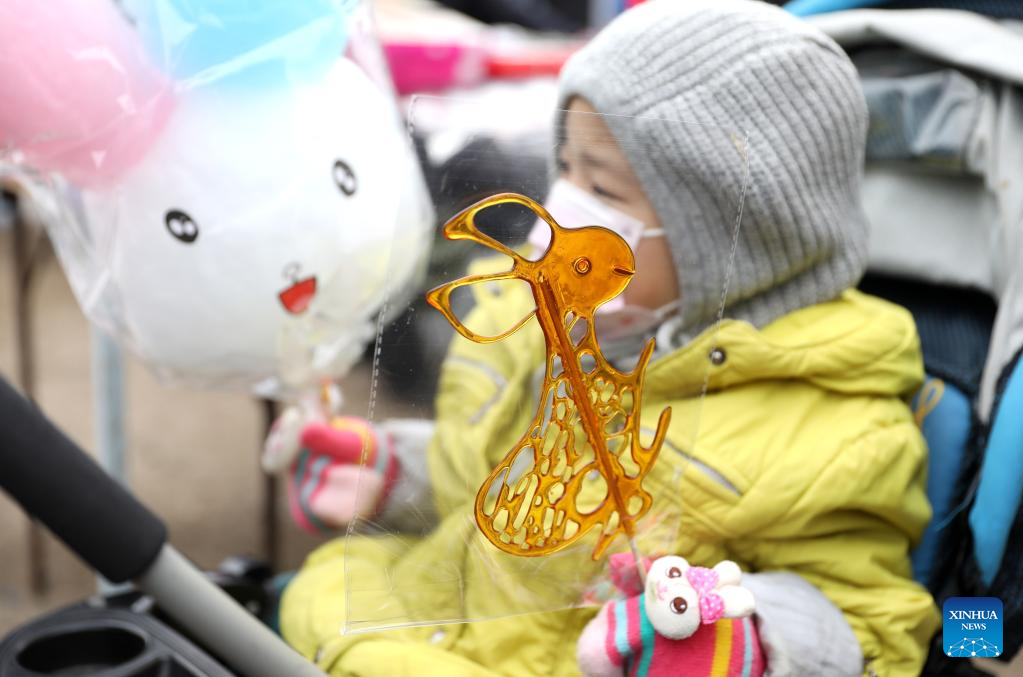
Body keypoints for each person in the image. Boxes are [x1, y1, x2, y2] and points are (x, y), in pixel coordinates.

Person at [278, 1, 940, 674]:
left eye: (600, 187)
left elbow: (871, 625)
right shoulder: (537, 322)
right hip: (435, 613)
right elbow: (492, 483)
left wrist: (744, 645)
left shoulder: (833, 435)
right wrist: (395, 475)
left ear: (731, 242)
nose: (560, 207)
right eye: (565, 168)